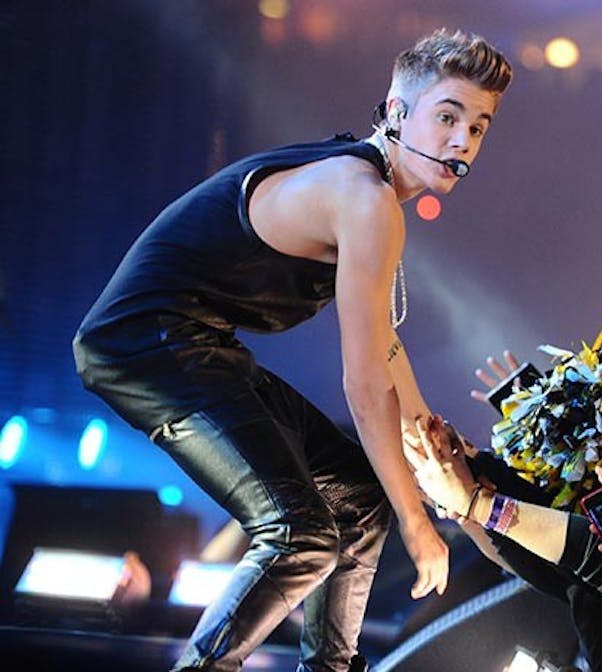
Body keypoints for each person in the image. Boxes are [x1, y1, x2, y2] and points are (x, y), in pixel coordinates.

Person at [72, 29, 512, 672]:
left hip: (197, 343)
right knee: (299, 533)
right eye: (447, 117)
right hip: (146, 345)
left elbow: (384, 350)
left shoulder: (368, 188)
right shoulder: (365, 199)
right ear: (397, 111)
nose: (462, 142)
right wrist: (416, 521)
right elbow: (364, 386)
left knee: (358, 498)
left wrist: (433, 450)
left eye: (477, 127)